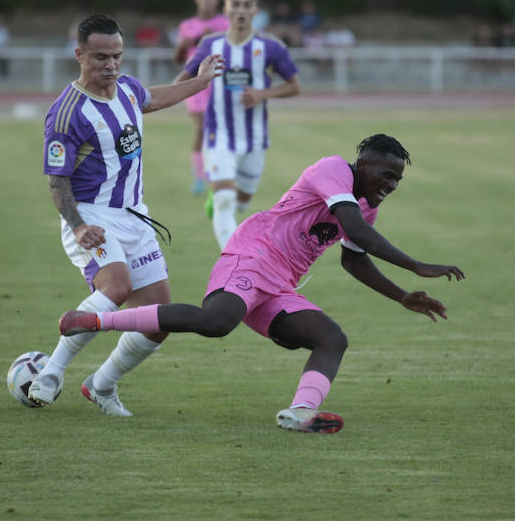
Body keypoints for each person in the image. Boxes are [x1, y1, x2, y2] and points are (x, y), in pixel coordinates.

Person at [56, 134, 466, 433]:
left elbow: (354, 260)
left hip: (281, 284)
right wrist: (415, 266)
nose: (391, 185)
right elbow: (354, 227)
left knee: (330, 338)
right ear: (362, 166)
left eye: (398, 180)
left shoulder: (362, 207)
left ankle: (301, 412)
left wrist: (401, 296)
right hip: (252, 255)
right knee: (217, 321)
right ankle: (92, 322)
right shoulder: (333, 169)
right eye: (386, 174)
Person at [26, 14, 225, 416]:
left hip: (135, 217)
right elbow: (56, 183)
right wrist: (79, 227)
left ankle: (101, 385)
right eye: (101, 57)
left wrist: (200, 83)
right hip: (91, 216)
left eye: (117, 56)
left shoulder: (127, 90)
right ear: (79, 54)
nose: (111, 65)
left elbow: (154, 97)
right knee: (116, 286)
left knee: (158, 320)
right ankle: (51, 372)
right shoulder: (66, 115)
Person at [177, 0, 301, 249]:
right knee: (224, 202)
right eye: (236, 4)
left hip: (254, 139)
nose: (242, 10)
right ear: (226, 9)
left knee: (241, 203)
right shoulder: (211, 44)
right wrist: (169, 94)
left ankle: (220, 197)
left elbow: (294, 86)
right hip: (218, 135)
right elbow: (183, 78)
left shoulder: (270, 47)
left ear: (256, 12)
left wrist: (263, 94)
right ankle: (233, 262)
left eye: (248, 5)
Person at [172, 0, 229, 195]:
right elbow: (178, 59)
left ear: (217, 1)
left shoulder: (225, 23)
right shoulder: (187, 25)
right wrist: (184, 44)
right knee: (202, 127)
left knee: (219, 130)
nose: (207, 1)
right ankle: (199, 177)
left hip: (219, 82)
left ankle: (217, 172)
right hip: (194, 82)